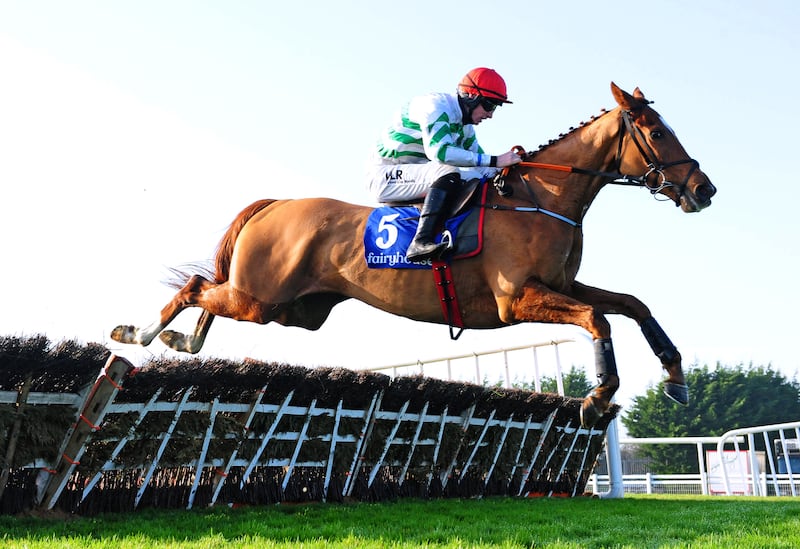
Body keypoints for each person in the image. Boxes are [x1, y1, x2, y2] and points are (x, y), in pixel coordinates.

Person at [366, 67, 523, 262]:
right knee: (447, 170)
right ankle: (421, 241)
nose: (490, 115)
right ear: (471, 96)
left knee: (476, 178)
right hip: (385, 176)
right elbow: (440, 152)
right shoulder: (436, 107)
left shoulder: (465, 128)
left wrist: (517, 168)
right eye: (489, 105)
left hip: (417, 174)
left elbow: (483, 168)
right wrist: (496, 160)